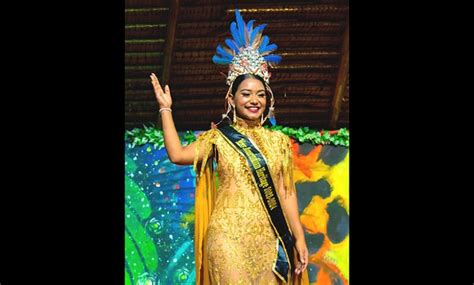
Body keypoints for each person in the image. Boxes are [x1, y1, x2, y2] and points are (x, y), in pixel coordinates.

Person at [150, 9, 309, 285]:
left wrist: (299, 237)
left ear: (268, 99)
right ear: (232, 98)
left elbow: (286, 193)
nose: (254, 100)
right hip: (227, 238)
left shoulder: (279, 142)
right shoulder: (218, 138)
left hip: (268, 241)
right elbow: (177, 155)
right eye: (246, 94)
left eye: (260, 94)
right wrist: (166, 110)